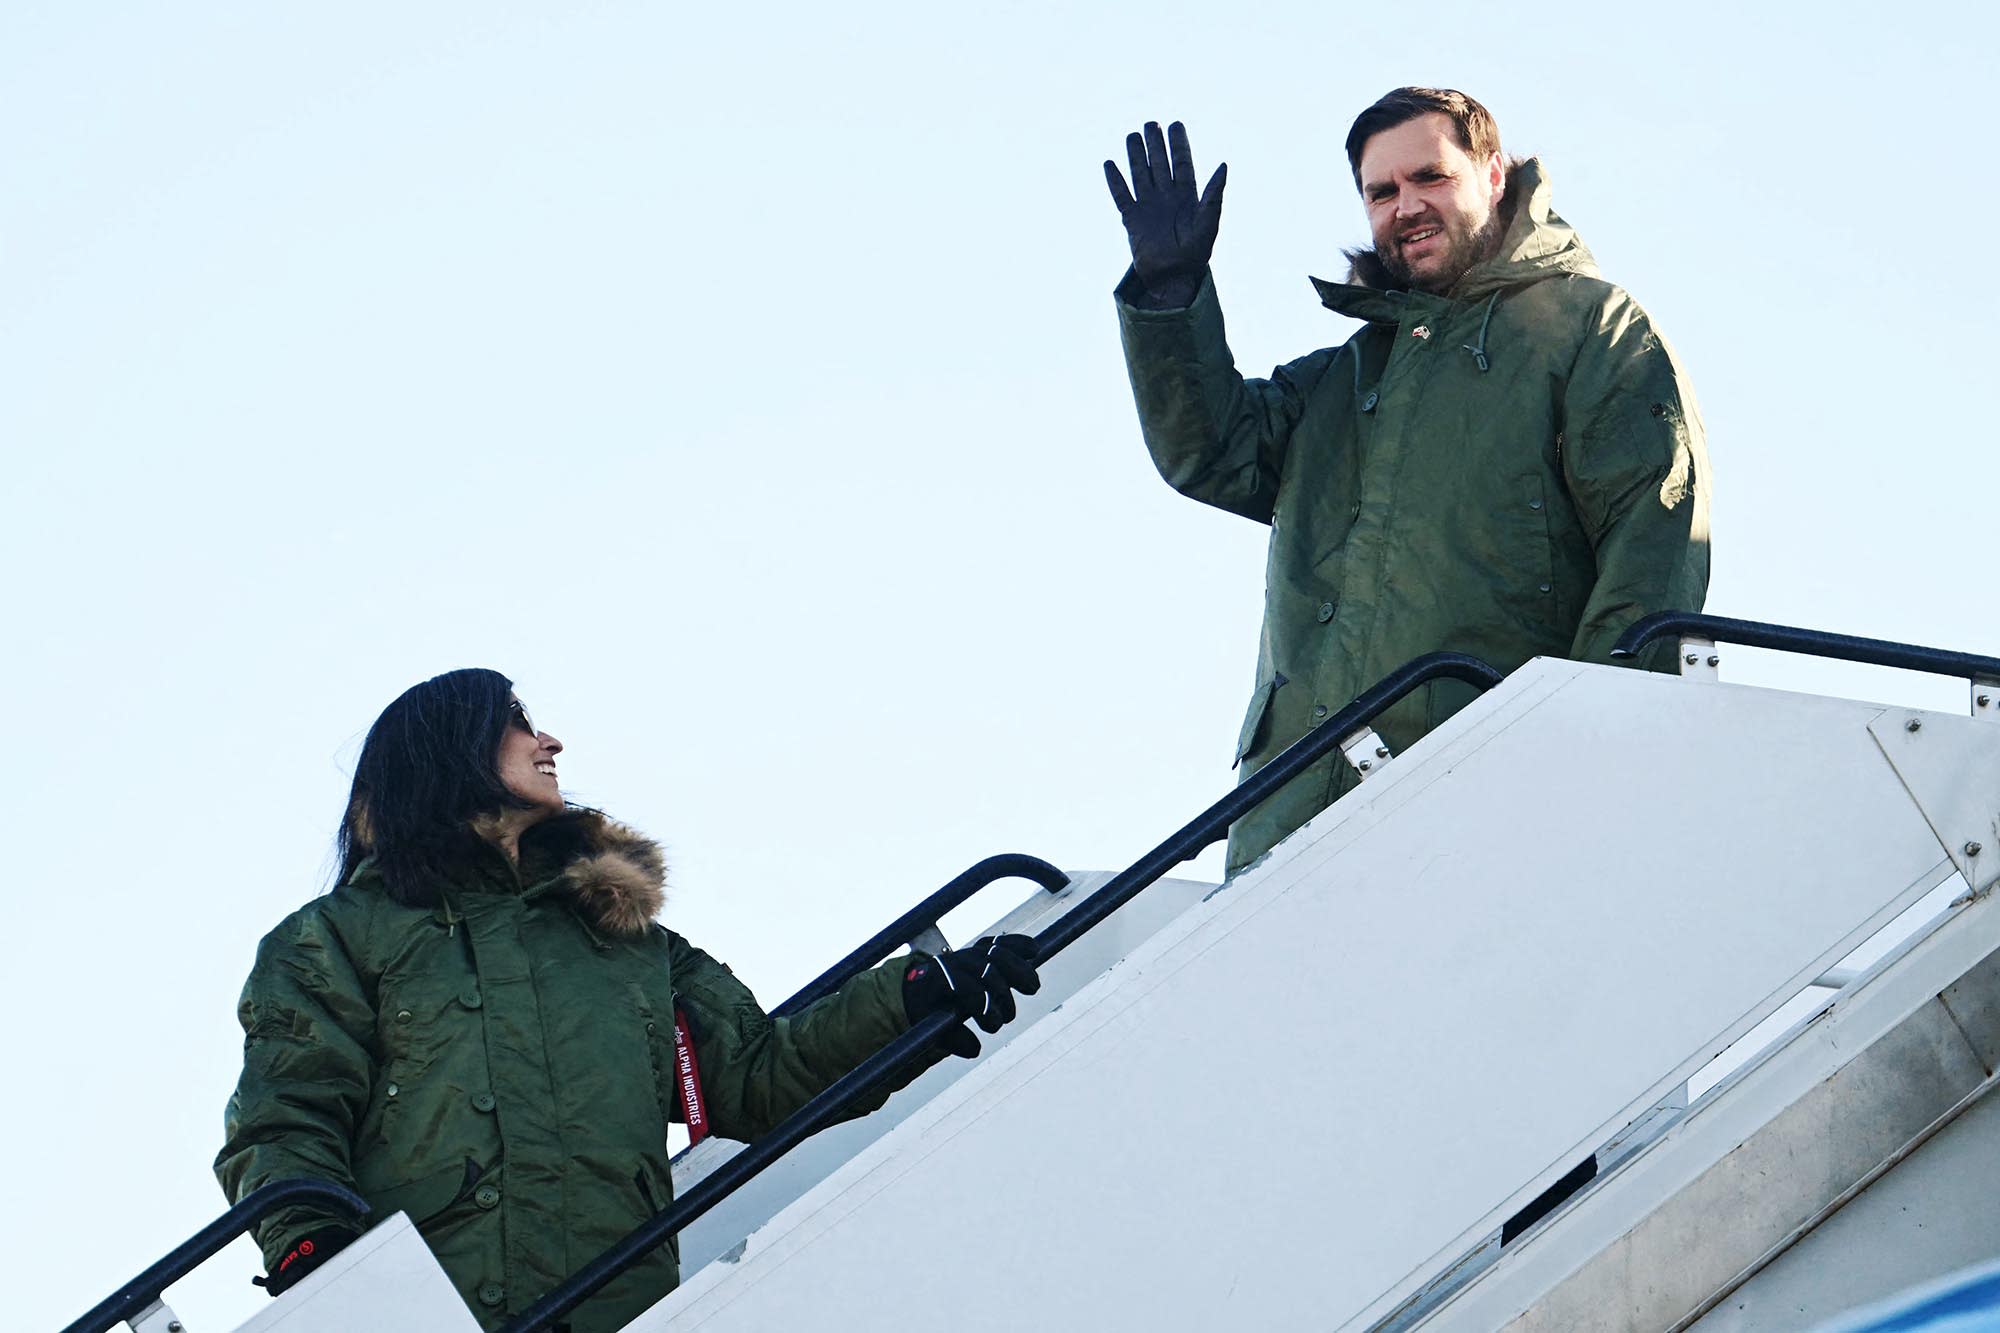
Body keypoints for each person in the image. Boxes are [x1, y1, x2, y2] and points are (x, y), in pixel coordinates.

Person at [214, 668, 1038, 1332]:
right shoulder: (340, 935)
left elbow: (757, 1072)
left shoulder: (627, 940)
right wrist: (315, 1256)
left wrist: (918, 993)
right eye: (517, 718)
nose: (550, 740)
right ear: (445, 748)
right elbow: (288, 1113)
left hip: (625, 1309)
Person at [1104, 88, 1711, 874]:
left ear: (1494, 175)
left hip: (1487, 806)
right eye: (1381, 191)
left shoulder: (1590, 331)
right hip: (1288, 820)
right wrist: (1168, 295)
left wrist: (1589, 754)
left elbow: (1650, 546)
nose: (1406, 206)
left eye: (1430, 176)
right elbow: (1214, 453)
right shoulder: (1343, 378)